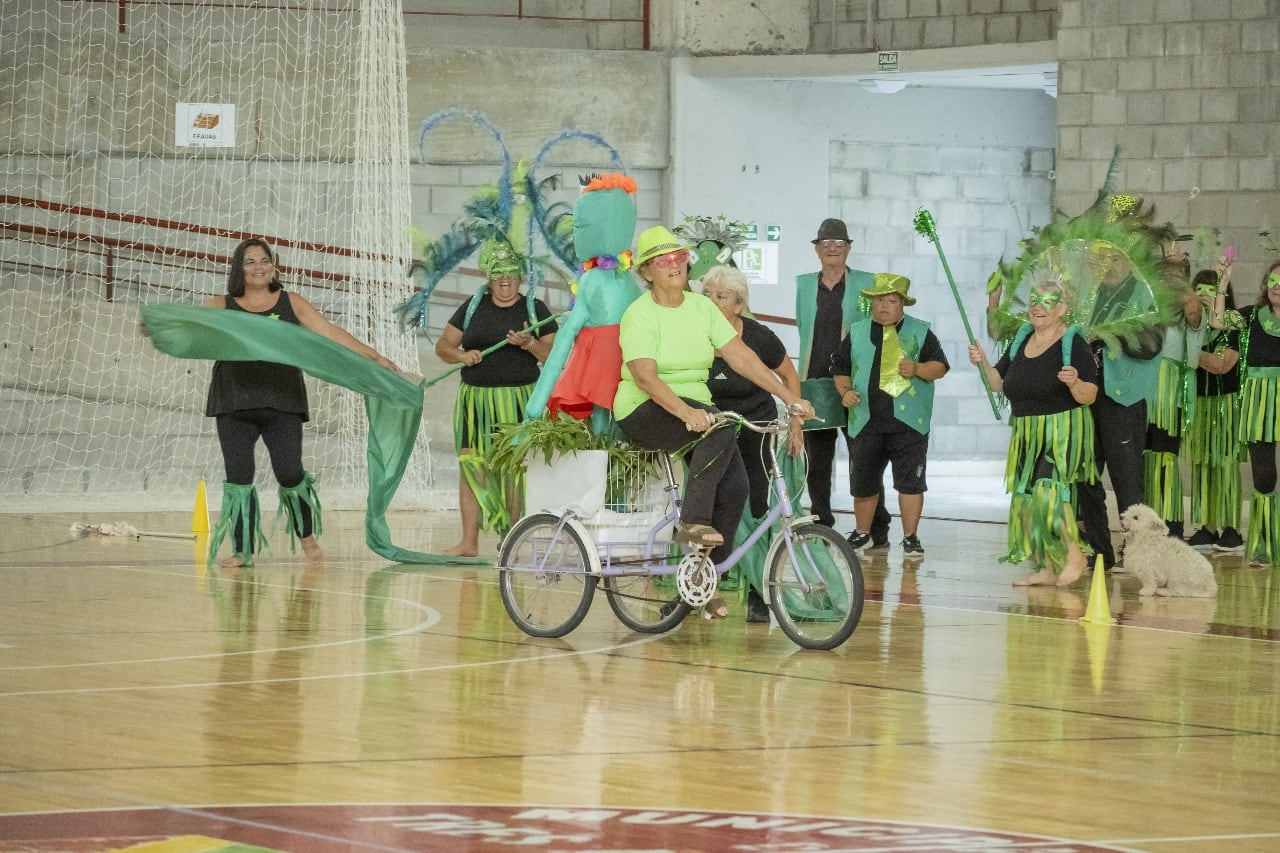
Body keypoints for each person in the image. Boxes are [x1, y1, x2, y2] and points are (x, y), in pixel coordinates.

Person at [614, 226, 814, 620]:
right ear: (647, 272)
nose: (673, 265)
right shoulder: (639, 314)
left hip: (698, 409)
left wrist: (789, 397)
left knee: (737, 486)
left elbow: (742, 357)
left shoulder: (702, 308)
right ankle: (692, 522)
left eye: (679, 257)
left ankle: (703, 579)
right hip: (643, 406)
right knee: (721, 428)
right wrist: (686, 413)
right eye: (662, 260)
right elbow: (645, 377)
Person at [204, 237, 398, 568]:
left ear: (273, 265)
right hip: (234, 402)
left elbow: (331, 333)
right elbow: (190, 327)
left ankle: (307, 538)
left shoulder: (291, 302)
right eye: (250, 261)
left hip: (283, 402)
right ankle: (242, 550)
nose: (258, 267)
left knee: (290, 473)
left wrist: (374, 356)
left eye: (264, 260)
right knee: (239, 477)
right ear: (238, 268)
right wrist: (159, 328)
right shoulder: (220, 304)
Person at [968, 279, 1099, 585]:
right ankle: (1047, 565)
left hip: (1061, 429)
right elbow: (999, 383)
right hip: (1026, 432)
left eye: (1048, 301)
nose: (1039, 308)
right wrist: (983, 362)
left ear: (1062, 308)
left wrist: (1074, 382)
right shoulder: (1021, 339)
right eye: (1034, 301)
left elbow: (1090, 394)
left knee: (1048, 492)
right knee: (1026, 500)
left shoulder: (1073, 343)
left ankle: (1074, 555)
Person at [435, 238, 558, 556]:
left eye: (511, 273)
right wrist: (461, 357)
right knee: (471, 466)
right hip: (475, 403)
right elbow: (443, 346)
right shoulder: (473, 305)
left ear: (520, 276)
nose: (505, 280)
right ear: (488, 277)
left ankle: (511, 538)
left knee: (514, 469)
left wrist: (529, 344)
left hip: (519, 401)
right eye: (498, 274)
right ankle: (469, 542)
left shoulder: (535, 308)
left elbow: (556, 356)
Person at [701, 263, 805, 622]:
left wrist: (794, 424)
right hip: (711, 428)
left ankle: (759, 592)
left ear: (739, 305)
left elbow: (788, 375)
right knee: (707, 506)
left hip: (755, 426)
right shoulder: (694, 334)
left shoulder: (758, 337)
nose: (712, 302)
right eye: (707, 295)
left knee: (757, 505)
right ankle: (707, 582)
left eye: (721, 296)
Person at [831, 273, 949, 557]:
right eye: (879, 300)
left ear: (902, 305)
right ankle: (863, 533)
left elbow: (941, 367)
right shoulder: (857, 331)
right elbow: (840, 367)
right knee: (863, 484)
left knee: (910, 483)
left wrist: (919, 369)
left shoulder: (921, 331)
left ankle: (911, 537)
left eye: (891, 301)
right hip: (865, 420)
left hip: (908, 425)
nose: (884, 306)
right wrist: (845, 391)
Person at [794, 218, 891, 545]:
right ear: (817, 250)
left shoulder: (867, 282)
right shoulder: (805, 285)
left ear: (849, 248)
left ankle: (878, 525)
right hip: (815, 381)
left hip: (856, 383)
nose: (832, 248)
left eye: (839, 243)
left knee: (864, 457)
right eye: (826, 244)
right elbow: (803, 327)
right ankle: (822, 521)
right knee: (817, 461)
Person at [1074, 240, 1164, 570]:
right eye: (1102, 259)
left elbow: (1151, 344)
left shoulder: (1143, 295)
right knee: (1086, 477)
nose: (1109, 265)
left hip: (1123, 397)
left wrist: (1107, 334)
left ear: (1129, 261)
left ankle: (1140, 553)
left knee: (1127, 480)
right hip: (1086, 397)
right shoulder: (1089, 296)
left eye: (1116, 258)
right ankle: (1100, 550)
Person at [1211, 258, 1280, 566]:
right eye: (1273, 280)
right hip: (1258, 400)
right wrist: (1222, 285)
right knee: (1264, 475)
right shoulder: (1251, 317)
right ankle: (1264, 543)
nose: (1277, 287)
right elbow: (1216, 322)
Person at [1142, 241, 1203, 540]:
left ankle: (1171, 526)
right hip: (1142, 389)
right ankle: (1145, 525)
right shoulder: (1149, 308)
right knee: (1143, 456)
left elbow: (1193, 311)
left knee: (1166, 455)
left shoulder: (1190, 314)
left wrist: (1178, 271)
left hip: (1170, 393)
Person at [1185, 265, 1244, 552]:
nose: (1205, 295)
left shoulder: (1232, 323)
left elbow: (1223, 365)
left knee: (1225, 464)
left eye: (1212, 289)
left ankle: (1232, 528)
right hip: (1198, 402)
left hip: (1226, 404)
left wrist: (1188, 354)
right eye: (1200, 289)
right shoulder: (1190, 326)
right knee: (1203, 463)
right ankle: (1208, 527)